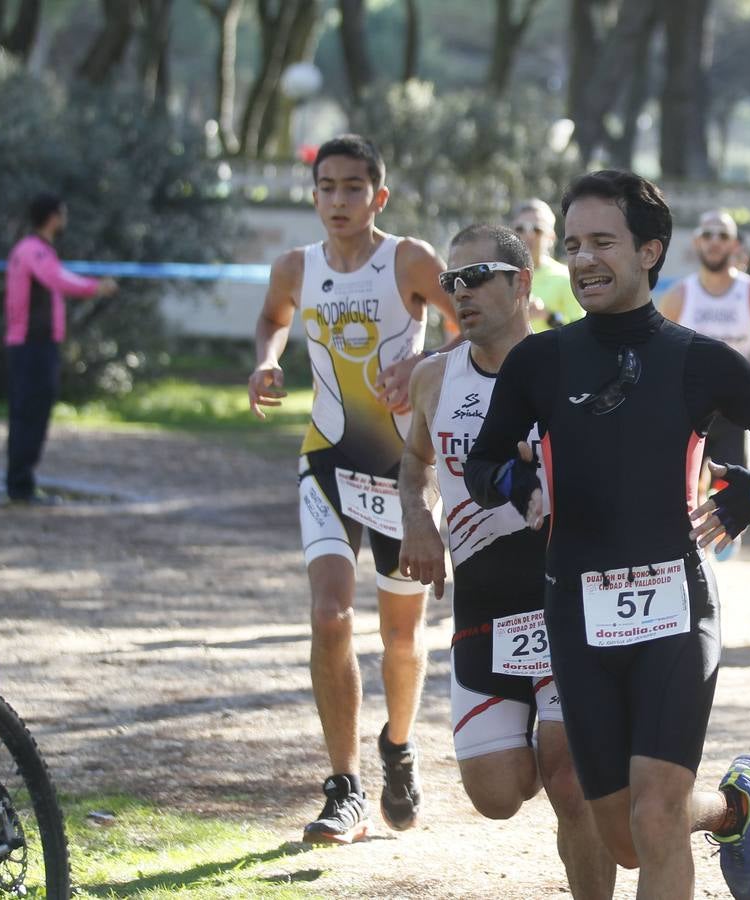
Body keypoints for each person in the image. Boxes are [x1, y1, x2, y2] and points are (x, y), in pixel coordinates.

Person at [463, 170, 750, 900]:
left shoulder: (698, 360)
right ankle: (733, 808)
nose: (581, 260)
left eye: (602, 242)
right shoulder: (539, 361)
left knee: (658, 815)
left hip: (676, 605)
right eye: (571, 245)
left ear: (649, 250)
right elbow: (481, 461)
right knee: (624, 836)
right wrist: (517, 485)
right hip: (575, 606)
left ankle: (702, 810)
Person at [246, 134, 455, 844]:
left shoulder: (410, 260)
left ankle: (397, 746)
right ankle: (345, 787)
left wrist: (423, 364)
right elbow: (272, 321)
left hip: (404, 471)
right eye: (326, 187)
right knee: (330, 616)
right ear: (314, 195)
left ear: (379, 196)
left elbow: (474, 327)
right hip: (327, 461)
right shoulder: (294, 269)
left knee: (401, 636)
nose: (338, 200)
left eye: (353, 187)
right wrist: (266, 363)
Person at [396, 224, 616, 897]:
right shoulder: (435, 375)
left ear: (520, 285)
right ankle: (629, 786)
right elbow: (413, 465)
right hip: (483, 603)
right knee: (496, 793)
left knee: (568, 778)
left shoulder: (575, 367)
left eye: (477, 277)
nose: (459, 294)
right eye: (451, 282)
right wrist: (419, 523)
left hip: (567, 598)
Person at [659, 209, 750, 559]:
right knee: (682, 490)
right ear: (697, 242)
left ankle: (722, 535)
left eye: (722, 236)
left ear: (736, 245)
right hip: (687, 407)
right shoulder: (680, 295)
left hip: (734, 410)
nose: (714, 242)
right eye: (708, 235)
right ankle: (688, 551)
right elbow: (660, 352)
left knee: (731, 485)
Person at [3, 192, 117, 504]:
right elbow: (58, 279)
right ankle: (21, 486)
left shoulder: (32, 249)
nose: (65, 219)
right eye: (63, 214)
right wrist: (97, 287)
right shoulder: (35, 251)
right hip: (32, 347)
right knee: (30, 413)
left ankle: (20, 483)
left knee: (27, 413)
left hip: (32, 346)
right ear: (53, 217)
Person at [512, 198, 583, 332]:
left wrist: (547, 315)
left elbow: (581, 334)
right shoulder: (501, 277)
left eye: (537, 229)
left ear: (551, 237)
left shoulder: (567, 278)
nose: (529, 235)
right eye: (521, 229)